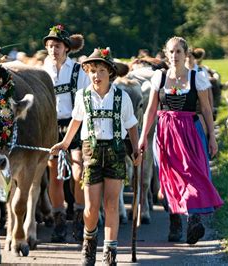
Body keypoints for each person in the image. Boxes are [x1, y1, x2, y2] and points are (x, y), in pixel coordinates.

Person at [51, 47, 141, 265]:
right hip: (90, 152)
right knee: (91, 207)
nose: (96, 75)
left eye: (101, 70)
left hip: (115, 151)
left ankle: (110, 251)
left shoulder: (122, 97)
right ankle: (89, 242)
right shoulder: (82, 96)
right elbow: (76, 121)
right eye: (92, 71)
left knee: (111, 204)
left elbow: (131, 126)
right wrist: (64, 143)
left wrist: (136, 149)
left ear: (110, 72)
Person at [139, 36, 223, 245]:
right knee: (169, 179)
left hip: (190, 131)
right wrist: (142, 137)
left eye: (179, 52)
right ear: (166, 54)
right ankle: (175, 221)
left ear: (186, 54)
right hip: (165, 132)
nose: (175, 55)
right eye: (171, 51)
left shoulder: (197, 78)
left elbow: (205, 109)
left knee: (194, 175)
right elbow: (151, 110)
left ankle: (193, 219)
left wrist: (212, 137)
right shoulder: (159, 78)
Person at [42, 24, 90, 242]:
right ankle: (59, 221)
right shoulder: (43, 71)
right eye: (50, 46)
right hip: (52, 126)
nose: (53, 50)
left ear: (67, 49)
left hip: (75, 124)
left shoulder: (79, 71)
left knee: (79, 173)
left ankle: (79, 219)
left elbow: (85, 101)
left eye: (58, 46)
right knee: (56, 175)